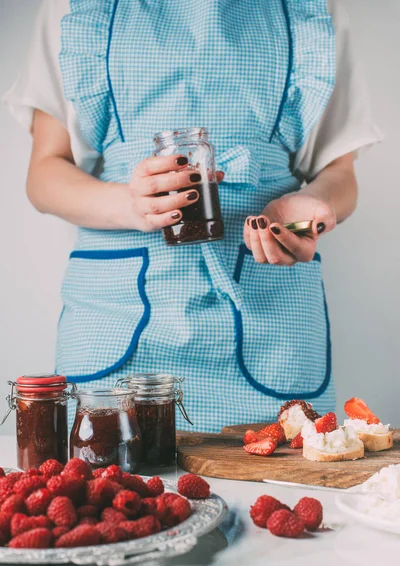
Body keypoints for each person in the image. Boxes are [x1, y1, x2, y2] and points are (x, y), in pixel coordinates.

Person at [4, 0, 382, 433]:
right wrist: (131, 204)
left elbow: (340, 173)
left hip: (270, 319)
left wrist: (312, 206)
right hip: (117, 316)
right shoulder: (77, 7)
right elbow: (44, 174)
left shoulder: (313, 9)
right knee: (108, 494)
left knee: (282, 491)